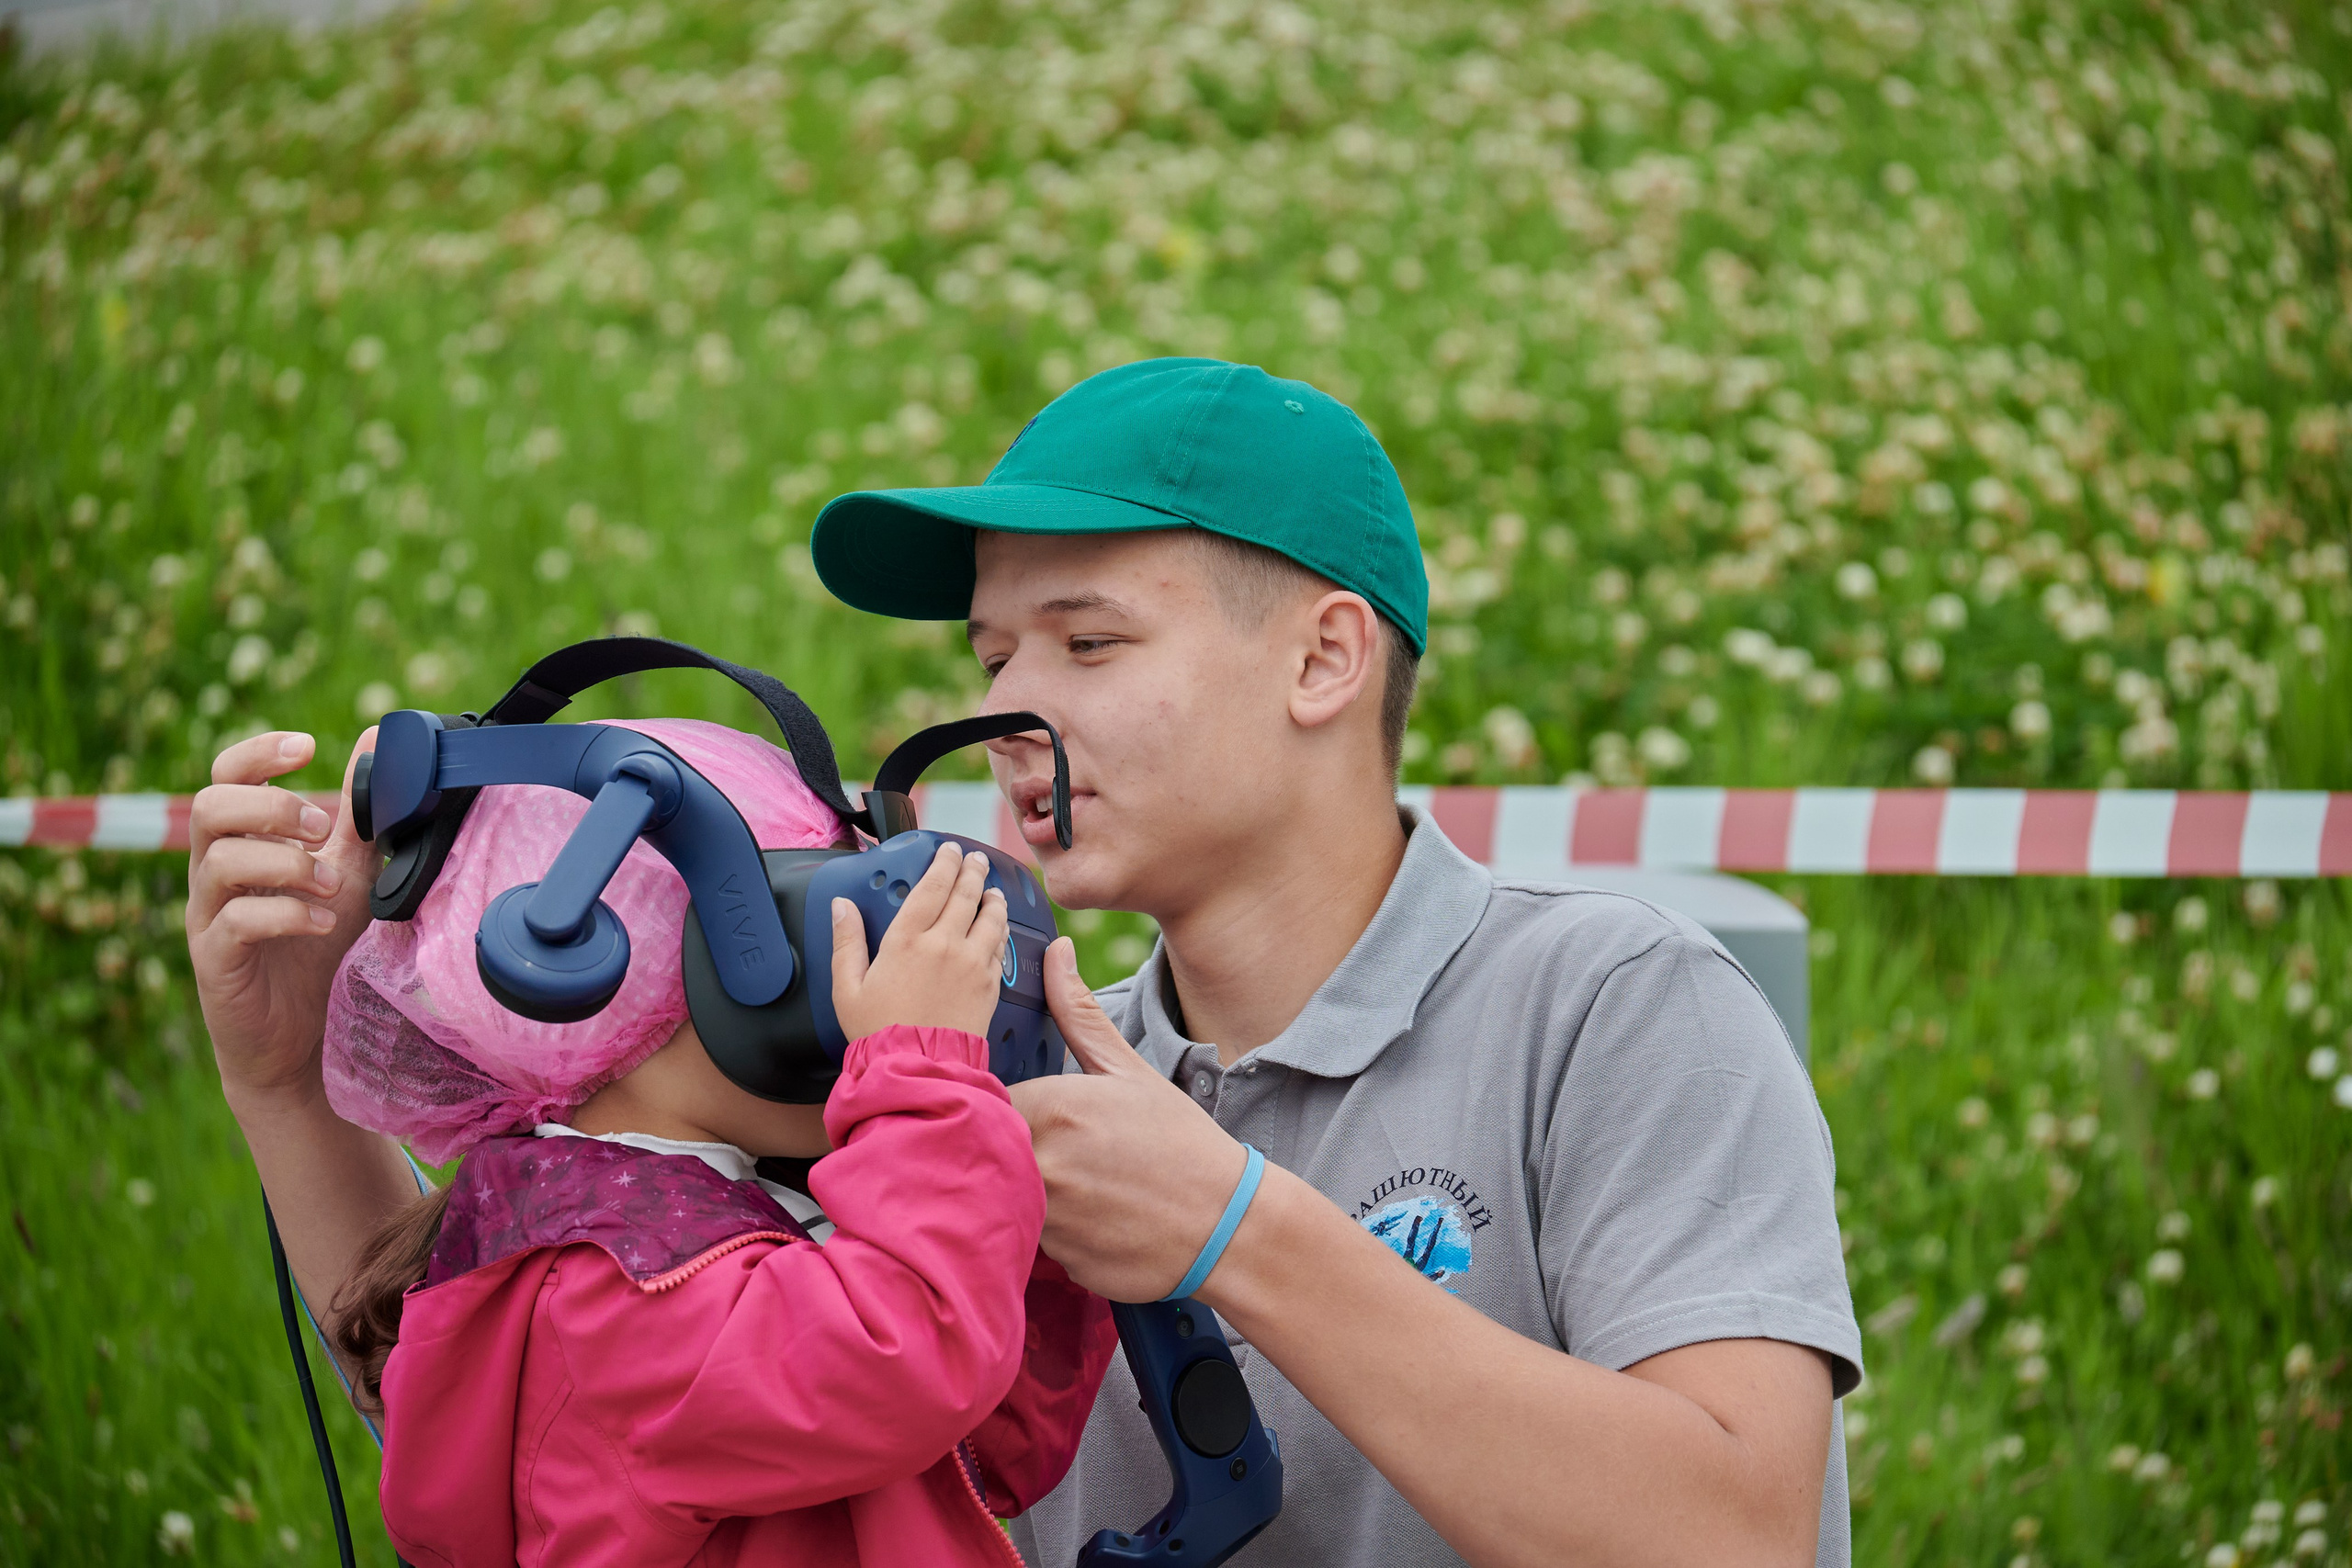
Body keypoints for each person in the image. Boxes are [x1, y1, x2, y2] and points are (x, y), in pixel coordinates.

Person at [191, 356, 1860, 1568]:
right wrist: (285, 1078)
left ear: (1326, 657)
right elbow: (581, 1423)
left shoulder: (1612, 1003)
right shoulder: (938, 1076)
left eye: (1089, 640)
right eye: (992, 651)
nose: (1010, 711)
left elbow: (1736, 1536)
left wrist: (1231, 1229)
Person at [270, 715, 1111, 1564]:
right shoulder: (618, 1300)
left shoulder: (710, 1219)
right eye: (828, 921)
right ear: (730, 966)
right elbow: (913, 1362)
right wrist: (926, 1080)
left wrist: (1029, 1204)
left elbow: (987, 1443)